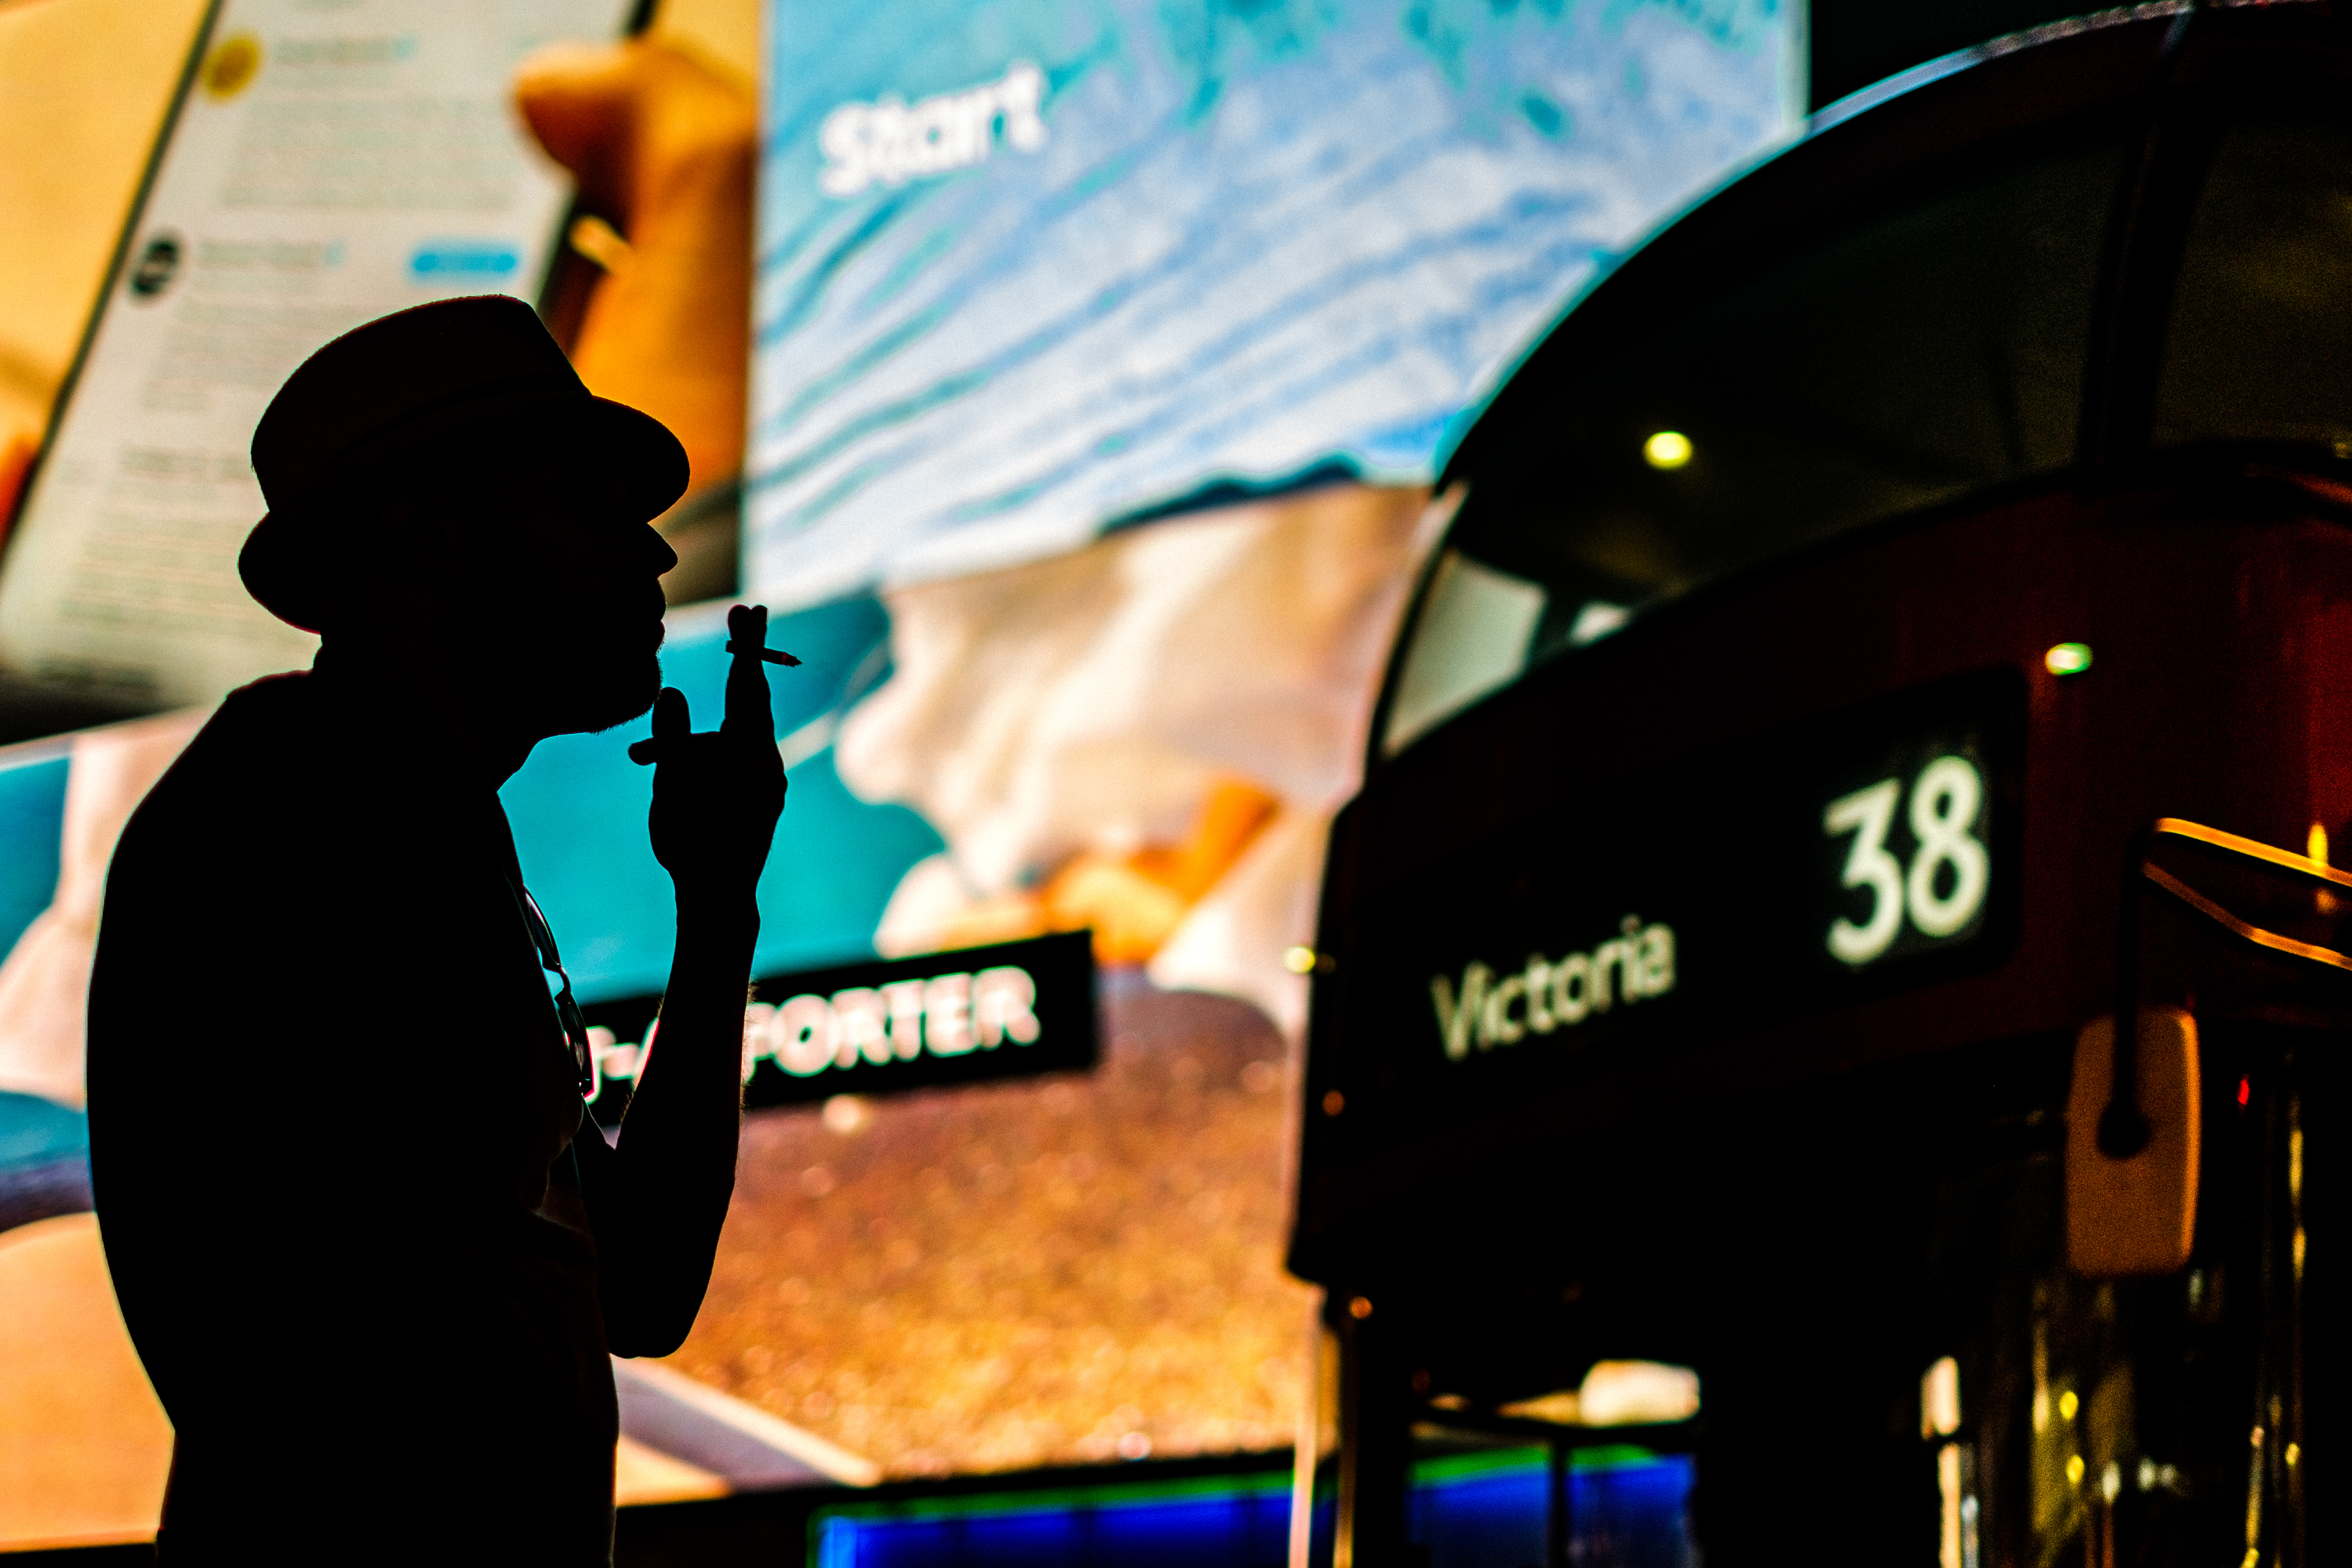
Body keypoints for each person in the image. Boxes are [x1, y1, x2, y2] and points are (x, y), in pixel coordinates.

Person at [84, 296, 786, 1563]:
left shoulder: (393, 815)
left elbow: (643, 1281)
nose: (658, 556)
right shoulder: (300, 806)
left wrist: (719, 897)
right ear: (420, 530)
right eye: (589, 501)